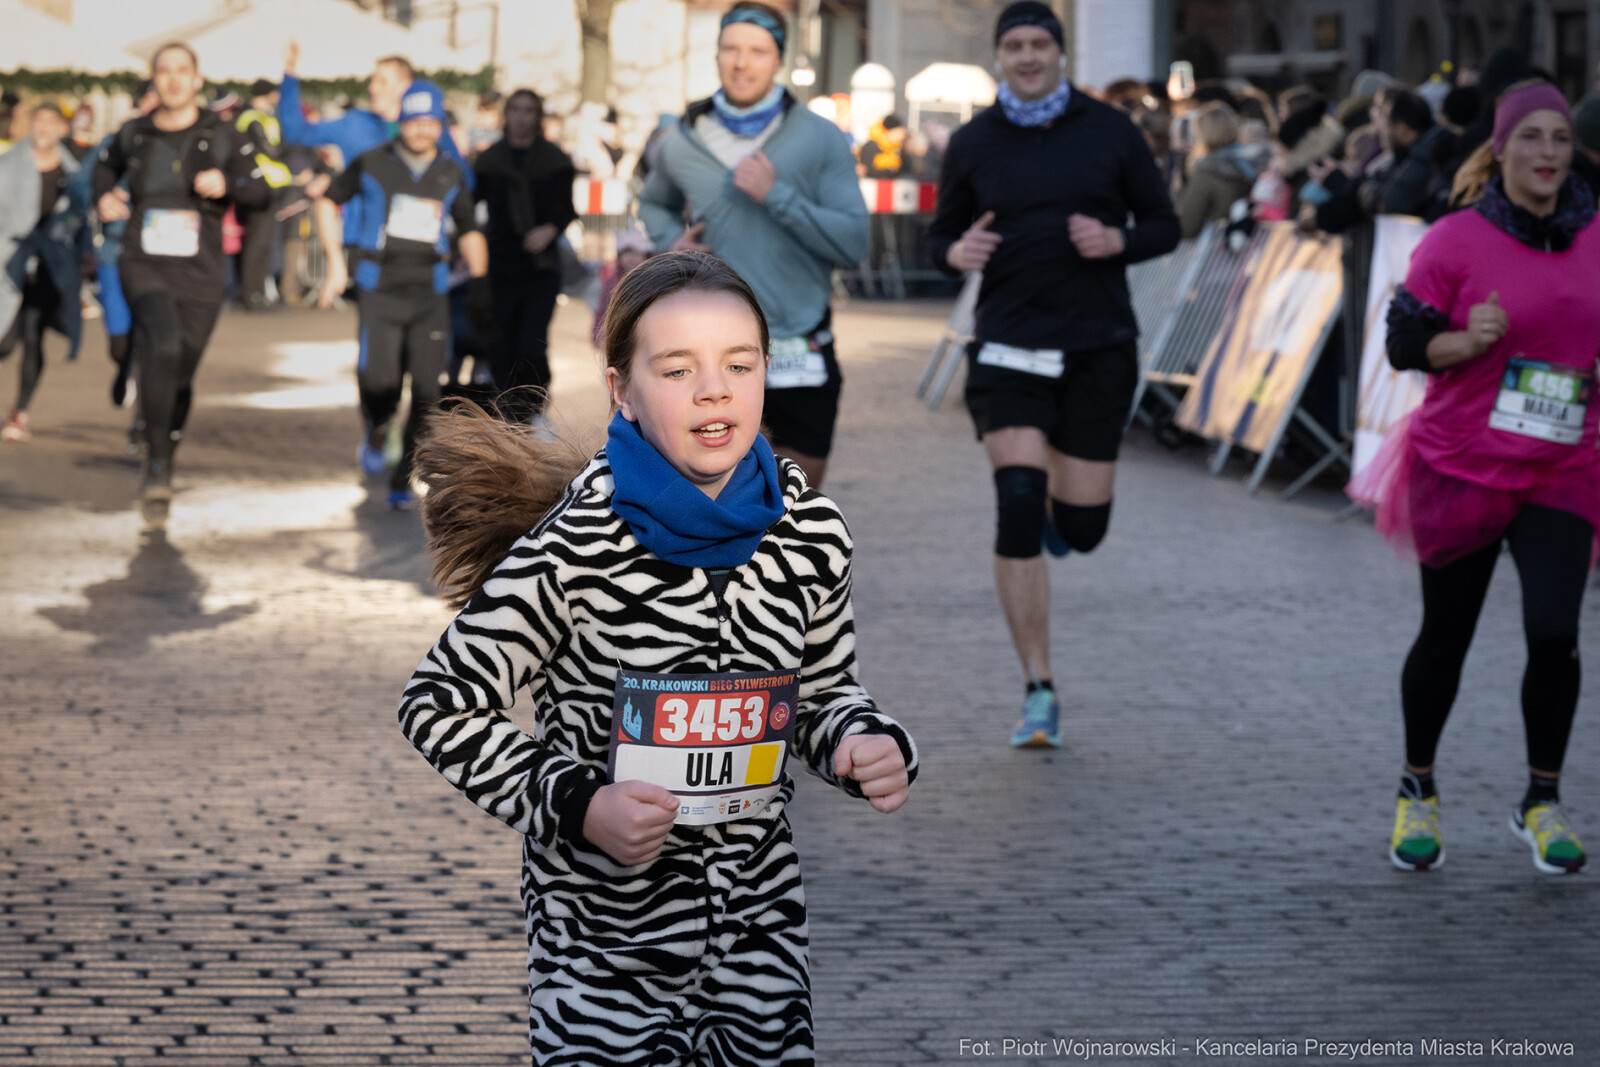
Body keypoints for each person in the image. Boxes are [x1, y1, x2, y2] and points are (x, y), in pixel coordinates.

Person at [398, 250, 916, 1063]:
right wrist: (579, 802)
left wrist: (862, 742)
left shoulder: (811, 532)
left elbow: (820, 693)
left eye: (740, 364)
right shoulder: (576, 546)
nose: (715, 389)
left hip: (757, 936)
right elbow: (437, 702)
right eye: (677, 369)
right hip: (600, 946)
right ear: (621, 391)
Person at [926, 0, 1178, 748]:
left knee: (1084, 529)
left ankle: (1059, 522)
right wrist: (951, 254)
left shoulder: (1110, 130)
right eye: (1015, 46)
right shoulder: (974, 140)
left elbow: (1166, 223)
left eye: (1040, 44)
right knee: (1017, 495)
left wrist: (1116, 239)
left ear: (1060, 51)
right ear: (1000, 56)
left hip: (1098, 344)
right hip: (1007, 344)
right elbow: (943, 230)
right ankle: (1039, 687)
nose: (1028, 57)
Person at [1365, 82, 1597, 875]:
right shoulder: (1456, 239)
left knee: (1554, 629)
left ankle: (1541, 798)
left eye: (1559, 139)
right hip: (1461, 461)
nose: (1547, 153)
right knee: (1448, 636)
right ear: (1499, 149)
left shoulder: (1598, 234)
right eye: (1530, 137)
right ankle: (1417, 785)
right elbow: (1401, 345)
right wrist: (1464, 342)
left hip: (1563, 462)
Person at [639, 0, 869, 489]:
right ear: (717, 55)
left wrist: (777, 196)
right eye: (730, 49)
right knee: (716, 497)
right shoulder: (683, 139)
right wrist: (670, 244)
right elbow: (653, 203)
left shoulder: (820, 138)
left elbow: (854, 242)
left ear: (778, 59)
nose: (742, 62)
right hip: (708, 350)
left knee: (791, 507)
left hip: (798, 345)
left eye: (757, 51)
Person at [92, 42, 269, 516]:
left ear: (196, 79)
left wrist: (229, 185)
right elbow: (102, 168)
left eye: (181, 71)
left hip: (202, 270)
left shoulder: (225, 134)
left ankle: (162, 441)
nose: (171, 79)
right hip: (143, 261)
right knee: (163, 347)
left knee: (181, 371)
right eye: (163, 71)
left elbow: (263, 189)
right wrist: (104, 196)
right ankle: (159, 466)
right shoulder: (133, 132)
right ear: (154, 80)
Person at [314, 80, 490, 510]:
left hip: (431, 292)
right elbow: (325, 202)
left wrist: (481, 284)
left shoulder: (450, 171)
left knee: (428, 392)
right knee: (380, 381)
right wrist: (336, 264)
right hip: (379, 287)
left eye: (431, 123)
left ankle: (401, 476)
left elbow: (468, 228)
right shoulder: (373, 162)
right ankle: (376, 424)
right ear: (402, 123)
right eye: (415, 123)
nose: (423, 131)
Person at [279, 43, 469, 294]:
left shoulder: (431, 132)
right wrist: (290, 75)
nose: (371, 87)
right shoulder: (355, 123)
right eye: (372, 80)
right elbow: (296, 131)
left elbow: (464, 180)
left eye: (381, 81)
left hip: (422, 253)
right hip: (368, 249)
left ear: (406, 86)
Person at [472, 88, 575, 424]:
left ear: (538, 116)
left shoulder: (555, 160)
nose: (521, 117)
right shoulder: (489, 161)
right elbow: (468, 207)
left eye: (529, 110)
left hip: (540, 269)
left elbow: (566, 209)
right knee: (500, 347)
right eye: (514, 110)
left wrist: (549, 229)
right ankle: (507, 416)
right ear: (506, 116)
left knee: (531, 346)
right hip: (499, 265)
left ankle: (533, 409)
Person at [0, 102, 91, 441]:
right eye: (39, 121)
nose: (44, 127)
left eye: (51, 122)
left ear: (62, 129)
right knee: (5, 342)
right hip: (7, 262)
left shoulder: (73, 174)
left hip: (49, 267)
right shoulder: (7, 164)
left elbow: (78, 219)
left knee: (34, 338)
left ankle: (19, 412)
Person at [234, 78, 297, 310]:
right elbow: (270, 149)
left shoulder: (264, 117)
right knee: (257, 244)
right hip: (259, 187)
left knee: (264, 244)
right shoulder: (252, 118)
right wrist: (286, 149)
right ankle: (252, 295)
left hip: (271, 187)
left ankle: (258, 293)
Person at [1174, 103, 1255, 238]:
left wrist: (1177, 192)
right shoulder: (1254, 161)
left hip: (1221, 249)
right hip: (1262, 248)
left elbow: (1187, 227)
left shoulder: (1207, 171)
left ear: (1201, 133)